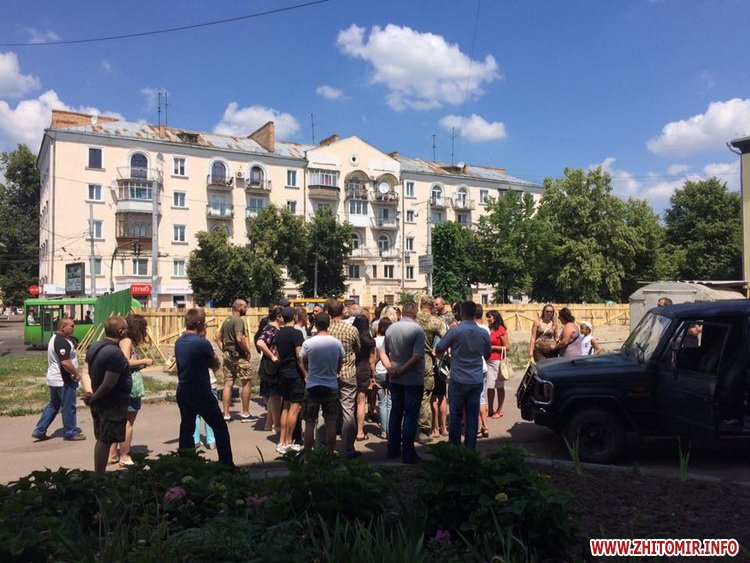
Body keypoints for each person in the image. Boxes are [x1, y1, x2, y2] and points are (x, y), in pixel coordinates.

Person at [174, 308, 234, 466]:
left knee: (186, 427)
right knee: (219, 427)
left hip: (183, 390)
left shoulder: (179, 342)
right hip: (201, 391)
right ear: (200, 324)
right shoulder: (202, 343)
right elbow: (215, 362)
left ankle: (186, 464)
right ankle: (226, 464)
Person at [435, 301, 491, 449]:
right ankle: (470, 449)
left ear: (462, 313)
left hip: (458, 379)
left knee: (455, 415)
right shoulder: (483, 333)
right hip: (475, 379)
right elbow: (487, 354)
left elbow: (439, 347)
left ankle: (454, 449)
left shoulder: (455, 331)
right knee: (472, 416)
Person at [83, 317, 132, 474]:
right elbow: (109, 383)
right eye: (126, 328)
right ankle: (99, 476)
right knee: (105, 440)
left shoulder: (94, 346)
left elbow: (85, 372)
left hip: (99, 401)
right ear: (121, 331)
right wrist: (94, 397)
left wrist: (90, 392)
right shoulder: (115, 353)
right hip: (111, 404)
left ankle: (99, 474)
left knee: (102, 439)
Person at [109, 314, 153, 466]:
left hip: (124, 386)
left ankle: (112, 455)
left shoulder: (123, 341)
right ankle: (125, 456)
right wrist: (144, 361)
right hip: (129, 387)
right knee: (127, 423)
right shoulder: (127, 341)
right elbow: (125, 362)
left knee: (119, 422)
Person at [384, 301, 425, 464]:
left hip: (395, 377)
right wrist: (402, 370)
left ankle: (393, 449)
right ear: (415, 313)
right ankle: (408, 453)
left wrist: (391, 368)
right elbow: (417, 356)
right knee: (410, 415)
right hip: (412, 378)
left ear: (402, 312)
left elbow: (383, 352)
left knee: (395, 412)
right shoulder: (417, 330)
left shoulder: (391, 328)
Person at [32, 317, 86, 441]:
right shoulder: (61, 342)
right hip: (63, 380)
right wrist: (76, 374)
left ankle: (39, 430)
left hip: (54, 379)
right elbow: (65, 363)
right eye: (71, 326)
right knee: (68, 407)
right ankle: (70, 432)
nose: (74, 328)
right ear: (63, 328)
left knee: (54, 405)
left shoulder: (57, 339)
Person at [300, 313, 344, 455]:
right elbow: (340, 362)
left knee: (309, 423)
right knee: (330, 423)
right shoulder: (336, 343)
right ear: (328, 324)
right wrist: (334, 372)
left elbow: (303, 361)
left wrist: (308, 373)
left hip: (312, 385)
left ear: (315, 325)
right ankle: (329, 456)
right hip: (331, 385)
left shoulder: (308, 343)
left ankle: (307, 457)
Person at [325, 298, 361, 459]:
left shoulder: (324, 329)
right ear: (342, 311)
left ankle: (323, 448)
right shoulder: (351, 329)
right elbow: (357, 347)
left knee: (326, 412)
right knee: (348, 411)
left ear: (328, 312)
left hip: (328, 375)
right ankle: (347, 450)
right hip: (348, 374)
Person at [274, 307, 307, 454]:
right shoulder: (296, 333)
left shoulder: (278, 333)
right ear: (294, 317)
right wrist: (305, 373)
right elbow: (299, 356)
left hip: (283, 373)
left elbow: (277, 354)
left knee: (285, 407)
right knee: (295, 408)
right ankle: (288, 441)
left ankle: (281, 441)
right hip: (295, 375)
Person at [216, 299, 254, 422]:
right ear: (238, 307)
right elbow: (239, 338)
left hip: (228, 355)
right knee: (246, 382)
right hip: (239, 356)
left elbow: (217, 337)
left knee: (228, 383)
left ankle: (226, 414)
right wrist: (247, 350)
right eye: (245, 306)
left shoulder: (226, 321)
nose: (246, 308)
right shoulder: (238, 320)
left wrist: (224, 349)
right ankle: (245, 413)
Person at [416, 296, 447, 443]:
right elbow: (447, 338)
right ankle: (424, 431)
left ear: (421, 304)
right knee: (425, 396)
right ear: (432, 306)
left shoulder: (412, 319)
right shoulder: (435, 321)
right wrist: (437, 350)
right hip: (426, 360)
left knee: (409, 394)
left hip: (409, 360)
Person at [257, 306, 284, 433]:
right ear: (278, 317)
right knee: (275, 395)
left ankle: (269, 423)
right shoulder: (271, 329)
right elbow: (260, 342)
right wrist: (272, 356)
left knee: (274, 396)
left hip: (273, 366)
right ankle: (276, 425)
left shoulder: (274, 328)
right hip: (271, 367)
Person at [353, 315, 376, 441]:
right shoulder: (370, 341)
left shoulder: (351, 339)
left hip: (352, 369)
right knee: (361, 402)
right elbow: (372, 360)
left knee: (349, 401)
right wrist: (373, 375)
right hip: (364, 369)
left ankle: (349, 429)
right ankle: (360, 431)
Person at [486, 310, 510, 418]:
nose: (488, 319)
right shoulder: (488, 329)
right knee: (490, 386)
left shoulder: (501, 329)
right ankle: (490, 409)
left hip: (498, 361)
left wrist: (493, 347)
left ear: (495, 318)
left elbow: (507, 347)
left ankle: (499, 410)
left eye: (489, 317)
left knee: (499, 386)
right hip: (488, 361)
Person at [374, 317, 394, 438]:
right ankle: (390, 430)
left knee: (381, 402)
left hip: (378, 372)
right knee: (390, 402)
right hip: (390, 371)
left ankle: (383, 431)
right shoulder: (392, 339)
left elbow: (374, 358)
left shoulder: (375, 341)